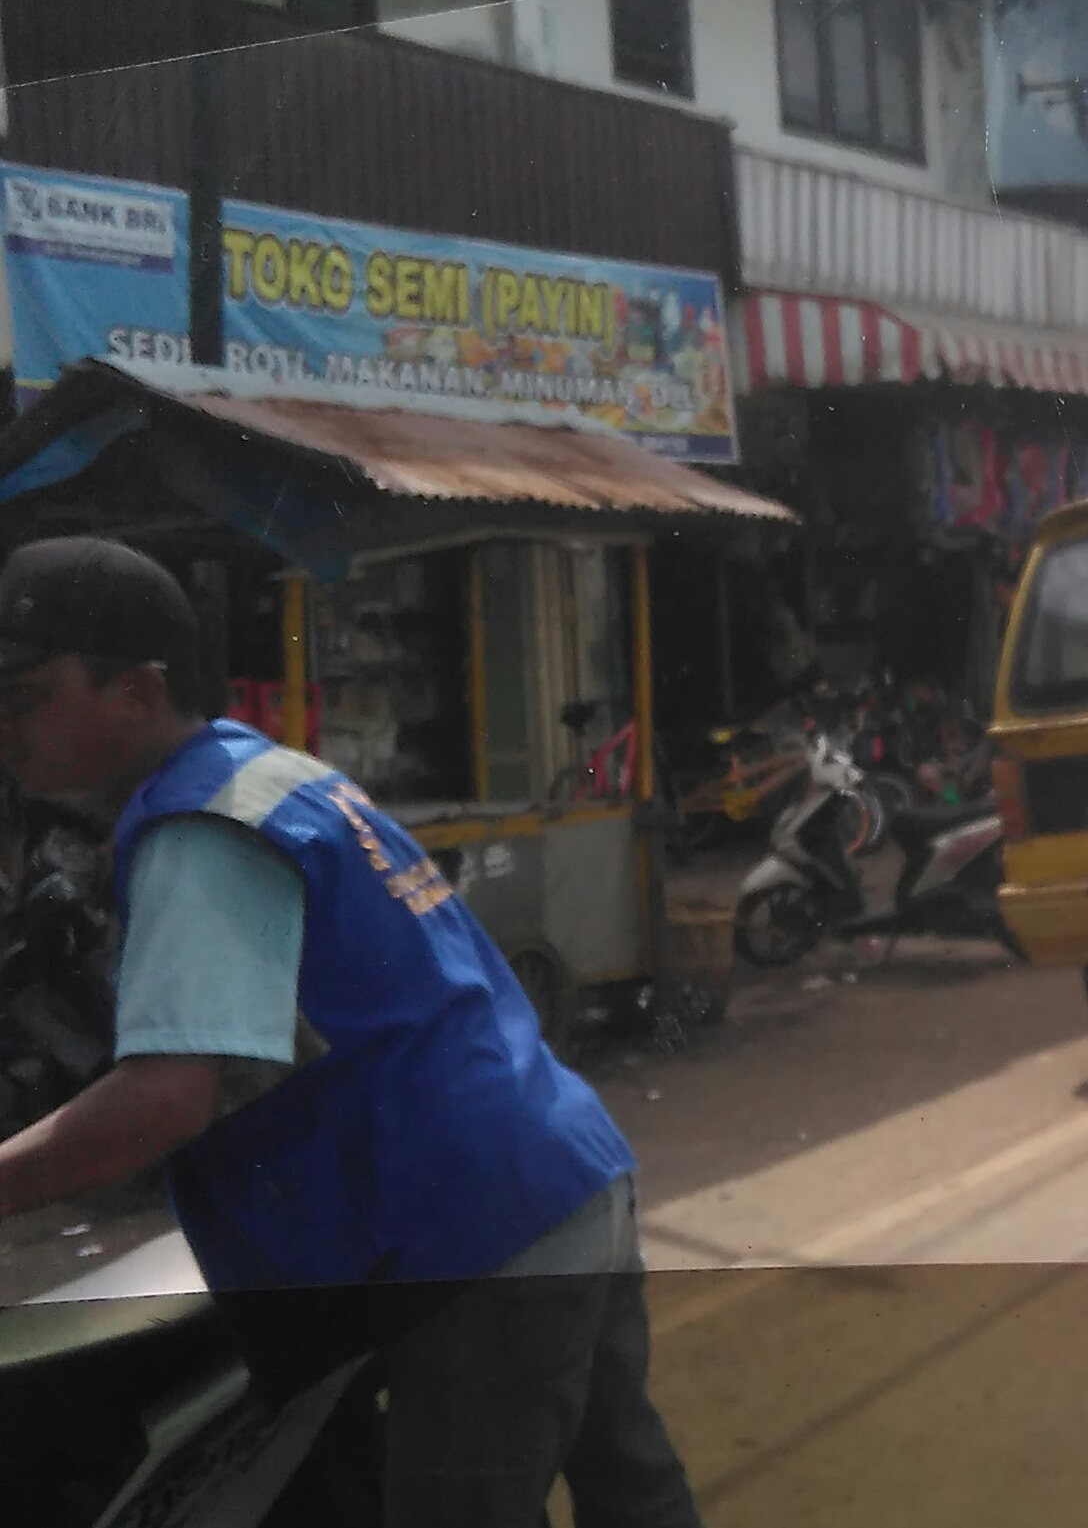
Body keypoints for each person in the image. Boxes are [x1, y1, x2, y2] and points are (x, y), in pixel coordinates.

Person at [0, 539, 702, 1528]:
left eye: (27, 694)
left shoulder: (199, 829)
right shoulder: (270, 771)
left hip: (467, 1233)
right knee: (635, 1490)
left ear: (136, 691)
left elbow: (165, 1095)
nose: (6, 725)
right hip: (567, 1173)